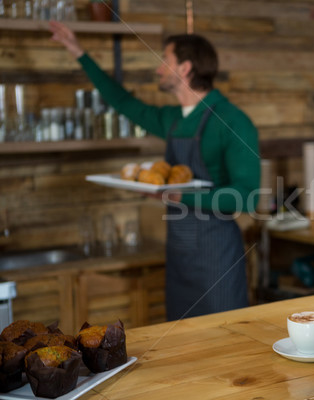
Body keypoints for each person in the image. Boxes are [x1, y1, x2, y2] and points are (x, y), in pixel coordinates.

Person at [49, 22, 261, 321]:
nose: (159, 69)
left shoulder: (232, 121)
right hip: (178, 252)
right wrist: (77, 51)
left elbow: (246, 198)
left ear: (185, 68)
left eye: (165, 60)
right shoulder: (173, 119)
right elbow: (122, 102)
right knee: (179, 344)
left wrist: (177, 196)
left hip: (218, 256)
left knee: (224, 340)